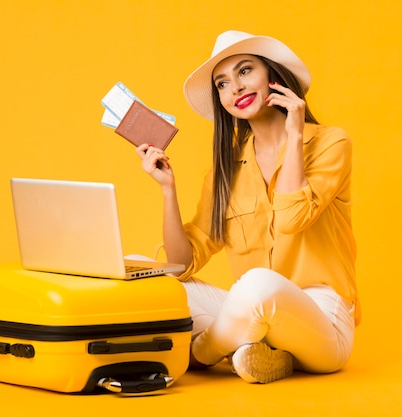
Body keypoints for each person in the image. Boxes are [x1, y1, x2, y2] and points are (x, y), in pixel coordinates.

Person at [134, 30, 360, 384]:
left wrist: (296, 134)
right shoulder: (227, 170)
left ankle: (202, 353)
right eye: (222, 84)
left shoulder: (331, 143)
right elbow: (180, 264)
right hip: (254, 313)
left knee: (257, 285)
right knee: (149, 276)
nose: (234, 89)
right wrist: (167, 190)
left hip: (322, 319)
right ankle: (255, 353)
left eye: (244, 71)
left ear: (273, 75)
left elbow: (292, 217)